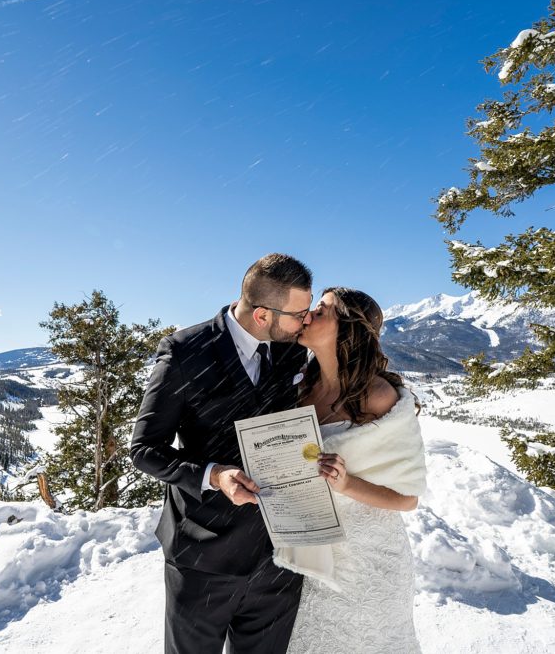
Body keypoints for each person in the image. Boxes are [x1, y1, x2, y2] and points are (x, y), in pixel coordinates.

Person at [130, 253, 314, 654]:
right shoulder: (184, 352)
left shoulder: (292, 350)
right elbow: (144, 450)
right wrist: (214, 475)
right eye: (300, 313)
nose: (307, 321)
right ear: (263, 314)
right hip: (203, 555)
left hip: (279, 557)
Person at [276, 286, 427, 653]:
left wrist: (345, 484)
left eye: (322, 311)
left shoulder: (378, 398)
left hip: (369, 562)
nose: (308, 316)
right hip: (310, 554)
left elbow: (408, 499)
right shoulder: (300, 387)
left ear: (347, 329)